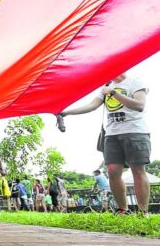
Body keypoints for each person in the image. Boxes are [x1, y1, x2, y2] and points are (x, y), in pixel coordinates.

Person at [58, 72, 150, 216]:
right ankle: (122, 209)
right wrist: (66, 112)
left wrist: (113, 93)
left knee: (137, 170)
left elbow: (139, 105)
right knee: (112, 171)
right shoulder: (106, 86)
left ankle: (143, 211)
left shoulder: (135, 82)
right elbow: (92, 105)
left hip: (135, 132)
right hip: (112, 134)